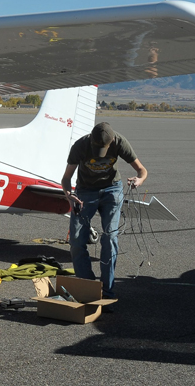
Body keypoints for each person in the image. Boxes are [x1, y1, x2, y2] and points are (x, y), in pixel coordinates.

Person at [61, 122, 147, 299]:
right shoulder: (80, 145)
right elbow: (66, 177)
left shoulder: (120, 142)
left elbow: (142, 170)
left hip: (112, 190)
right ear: (91, 140)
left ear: (112, 141)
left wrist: (139, 180)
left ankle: (107, 292)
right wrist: (69, 195)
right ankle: (89, 288)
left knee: (110, 238)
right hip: (85, 191)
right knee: (76, 241)